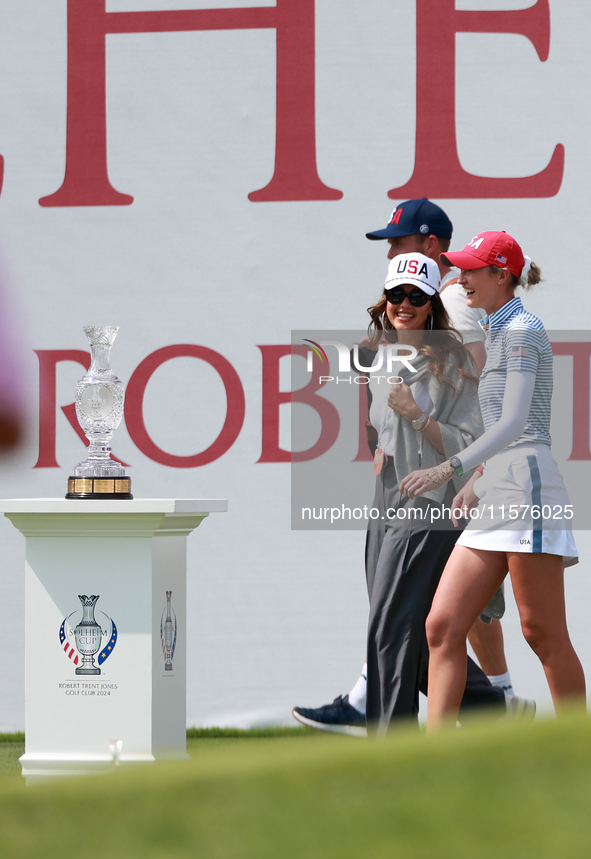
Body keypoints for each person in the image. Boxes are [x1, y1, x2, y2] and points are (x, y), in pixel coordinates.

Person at [292, 202, 520, 735]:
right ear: (385, 297)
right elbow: (372, 398)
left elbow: (478, 411)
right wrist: (384, 440)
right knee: (412, 627)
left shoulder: (454, 318)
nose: (406, 301)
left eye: (416, 292)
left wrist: (423, 426)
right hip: (392, 494)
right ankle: (489, 708)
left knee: (404, 625)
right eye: (396, 292)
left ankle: (390, 736)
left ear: (432, 253)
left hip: (440, 498)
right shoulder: (386, 348)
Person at [400, 231, 586, 729]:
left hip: (528, 485)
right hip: (498, 485)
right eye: (459, 270)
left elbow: (514, 423)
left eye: (471, 271)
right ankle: (434, 760)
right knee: (442, 626)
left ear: (501, 276)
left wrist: (450, 467)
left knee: (541, 632)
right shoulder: (497, 330)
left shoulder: (522, 329)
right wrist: (477, 479)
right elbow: (499, 428)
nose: (460, 280)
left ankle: (575, 748)